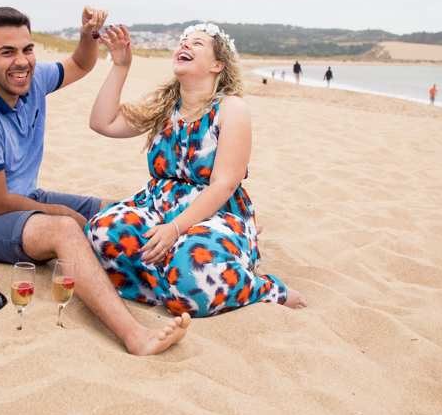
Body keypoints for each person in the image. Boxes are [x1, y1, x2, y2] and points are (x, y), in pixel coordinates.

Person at [0, 6, 189, 355]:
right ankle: (134, 335)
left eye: (27, 49)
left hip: (23, 196)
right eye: (7, 52)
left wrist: (88, 33)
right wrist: (58, 212)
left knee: (118, 210)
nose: (22, 61)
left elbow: (81, 64)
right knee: (65, 229)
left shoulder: (32, 78)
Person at [85, 23, 308, 317]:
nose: (185, 46)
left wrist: (174, 229)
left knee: (192, 268)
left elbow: (224, 184)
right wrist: (120, 65)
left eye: (197, 43)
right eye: (183, 42)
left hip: (215, 212)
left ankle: (267, 288)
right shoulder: (164, 106)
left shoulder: (231, 109)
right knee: (102, 232)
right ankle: (171, 282)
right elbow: (103, 123)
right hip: (158, 205)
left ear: (218, 64)